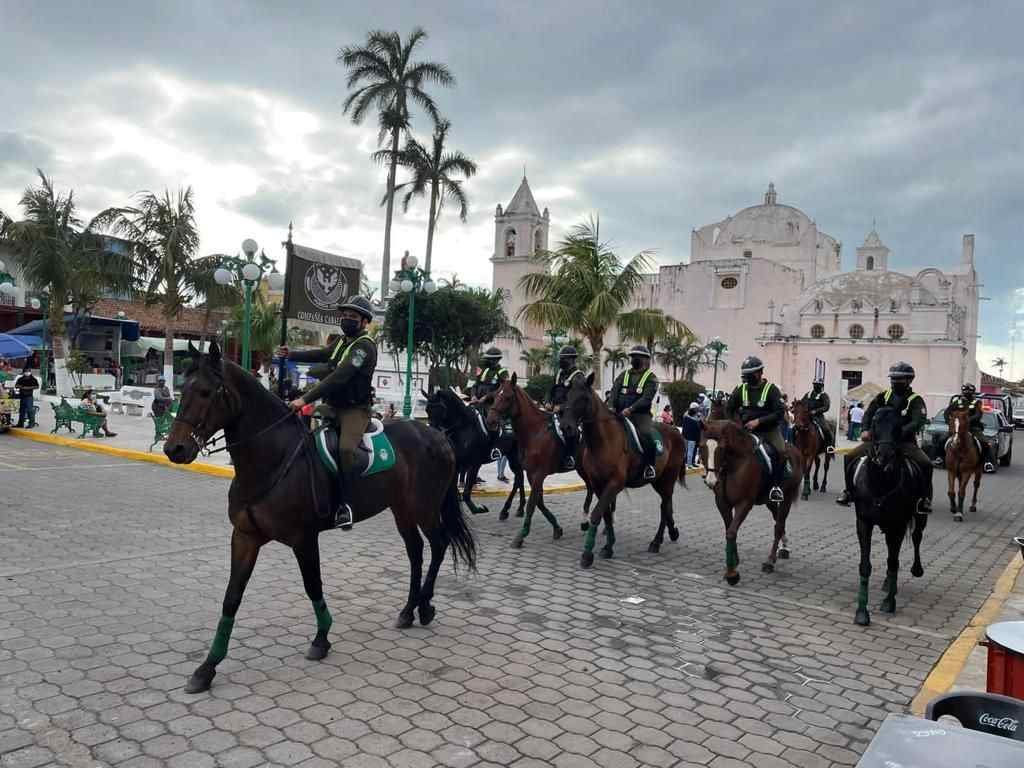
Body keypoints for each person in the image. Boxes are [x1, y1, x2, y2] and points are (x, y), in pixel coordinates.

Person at [277, 296, 377, 530]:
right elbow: (322, 354)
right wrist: (291, 354)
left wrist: (303, 399)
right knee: (302, 436)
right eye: (344, 316)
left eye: (352, 317)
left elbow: (340, 376)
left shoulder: (364, 346)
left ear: (364, 321)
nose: (346, 320)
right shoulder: (344, 341)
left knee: (345, 449)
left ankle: (347, 504)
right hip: (331, 406)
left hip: (354, 410)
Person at [836, 362, 933, 511]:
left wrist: (900, 431)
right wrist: (865, 429)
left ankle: (924, 499)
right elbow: (868, 413)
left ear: (909, 380)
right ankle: (849, 491)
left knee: (926, 464)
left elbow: (917, 421)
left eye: (899, 379)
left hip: (904, 442)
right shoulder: (883, 396)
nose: (895, 382)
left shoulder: (915, 400)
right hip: (879, 441)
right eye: (893, 379)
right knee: (849, 456)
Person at [725, 356, 789, 502]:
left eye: (750, 375)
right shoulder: (740, 389)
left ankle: (776, 487)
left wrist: (758, 421)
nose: (747, 379)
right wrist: (736, 423)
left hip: (769, 431)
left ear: (759, 373)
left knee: (781, 452)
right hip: (746, 431)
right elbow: (728, 409)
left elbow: (779, 413)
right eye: (745, 376)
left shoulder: (772, 390)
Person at [608, 345, 659, 480]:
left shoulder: (651, 378)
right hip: (618, 413)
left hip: (640, 415)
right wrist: (611, 406)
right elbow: (614, 391)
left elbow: (647, 398)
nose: (634, 359)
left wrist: (631, 409)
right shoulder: (623, 375)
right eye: (633, 357)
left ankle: (649, 466)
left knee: (647, 435)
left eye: (638, 357)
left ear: (645, 360)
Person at [547, 346, 583, 470]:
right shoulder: (559, 374)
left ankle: (570, 457)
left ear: (572, 360)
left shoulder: (578, 376)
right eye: (561, 358)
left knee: (569, 430)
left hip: (571, 412)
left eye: (563, 358)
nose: (561, 361)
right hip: (554, 410)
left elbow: (577, 399)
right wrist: (548, 401)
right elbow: (551, 390)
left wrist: (561, 407)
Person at [946, 383, 996, 472]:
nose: (967, 393)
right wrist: (950, 422)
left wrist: (966, 421)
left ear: (973, 393)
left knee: (985, 443)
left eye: (969, 392)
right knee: (942, 439)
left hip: (973, 428)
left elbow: (978, 415)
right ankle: (940, 459)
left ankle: (988, 463)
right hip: (958, 428)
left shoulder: (977, 403)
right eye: (965, 392)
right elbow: (947, 412)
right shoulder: (957, 402)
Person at [798, 377, 835, 450]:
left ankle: (828, 447)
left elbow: (826, 406)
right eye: (815, 384)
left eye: (818, 384)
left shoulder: (824, 395)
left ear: (821, 386)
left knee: (826, 430)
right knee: (795, 428)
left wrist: (816, 411)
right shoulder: (808, 394)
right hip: (807, 416)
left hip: (818, 417)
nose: (816, 386)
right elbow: (802, 402)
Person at [681, 402, 703, 468]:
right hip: (692, 436)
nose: (697, 409)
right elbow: (700, 426)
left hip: (686, 435)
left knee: (687, 450)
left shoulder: (685, 415)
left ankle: (688, 463)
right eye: (696, 408)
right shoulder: (696, 417)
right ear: (694, 408)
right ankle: (689, 464)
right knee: (690, 451)